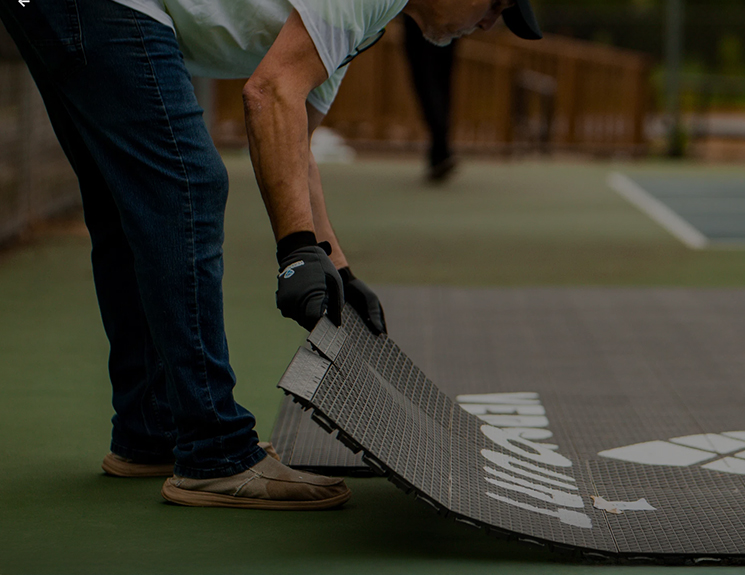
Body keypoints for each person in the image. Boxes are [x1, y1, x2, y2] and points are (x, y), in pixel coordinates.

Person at [0, 0, 540, 510]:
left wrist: (335, 263)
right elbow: (268, 91)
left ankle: (151, 430)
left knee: (131, 206)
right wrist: (296, 251)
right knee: (186, 186)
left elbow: (294, 133)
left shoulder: (367, 21)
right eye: (496, 4)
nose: (491, 22)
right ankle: (216, 452)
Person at [403, 13, 458, 182]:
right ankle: (440, 146)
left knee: (426, 81)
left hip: (423, 16)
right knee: (439, 81)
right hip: (441, 16)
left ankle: (440, 145)